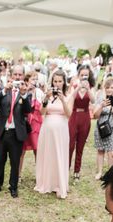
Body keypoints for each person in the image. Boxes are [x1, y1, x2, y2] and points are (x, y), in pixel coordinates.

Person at [0, 65, 32, 198]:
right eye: (15, 74)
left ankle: (13, 186)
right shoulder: (4, 90)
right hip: (2, 132)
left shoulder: (26, 93)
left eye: (20, 75)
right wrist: (3, 91)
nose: (17, 77)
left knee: (14, 161)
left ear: (23, 76)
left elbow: (28, 110)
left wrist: (24, 95)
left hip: (16, 133)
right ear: (11, 76)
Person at [35, 70, 72, 199]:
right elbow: (42, 112)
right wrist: (46, 98)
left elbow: (69, 114)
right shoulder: (48, 95)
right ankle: (47, 182)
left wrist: (62, 100)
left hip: (61, 130)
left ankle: (59, 184)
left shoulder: (68, 96)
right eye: (55, 81)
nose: (57, 84)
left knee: (59, 154)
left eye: (60, 81)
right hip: (47, 130)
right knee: (48, 154)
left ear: (64, 82)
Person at [92, 77, 113, 180]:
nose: (109, 89)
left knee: (111, 152)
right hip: (101, 128)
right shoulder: (100, 98)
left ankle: (111, 173)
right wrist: (101, 106)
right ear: (105, 88)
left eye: (112, 87)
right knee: (100, 150)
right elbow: (95, 115)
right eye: (107, 87)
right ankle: (99, 172)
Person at [68, 66, 96, 180]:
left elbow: (93, 100)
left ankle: (77, 170)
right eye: (82, 75)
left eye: (86, 75)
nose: (84, 77)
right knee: (70, 145)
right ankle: (67, 167)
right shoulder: (74, 86)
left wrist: (88, 89)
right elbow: (70, 98)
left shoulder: (91, 87)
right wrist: (77, 87)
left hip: (85, 117)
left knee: (80, 146)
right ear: (78, 75)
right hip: (74, 116)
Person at [20, 72, 44, 177]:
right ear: (26, 81)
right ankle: (18, 175)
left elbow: (43, 107)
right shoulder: (23, 92)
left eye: (36, 79)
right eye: (32, 79)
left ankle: (39, 175)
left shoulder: (39, 92)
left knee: (37, 149)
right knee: (22, 151)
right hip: (25, 123)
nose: (34, 81)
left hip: (36, 123)